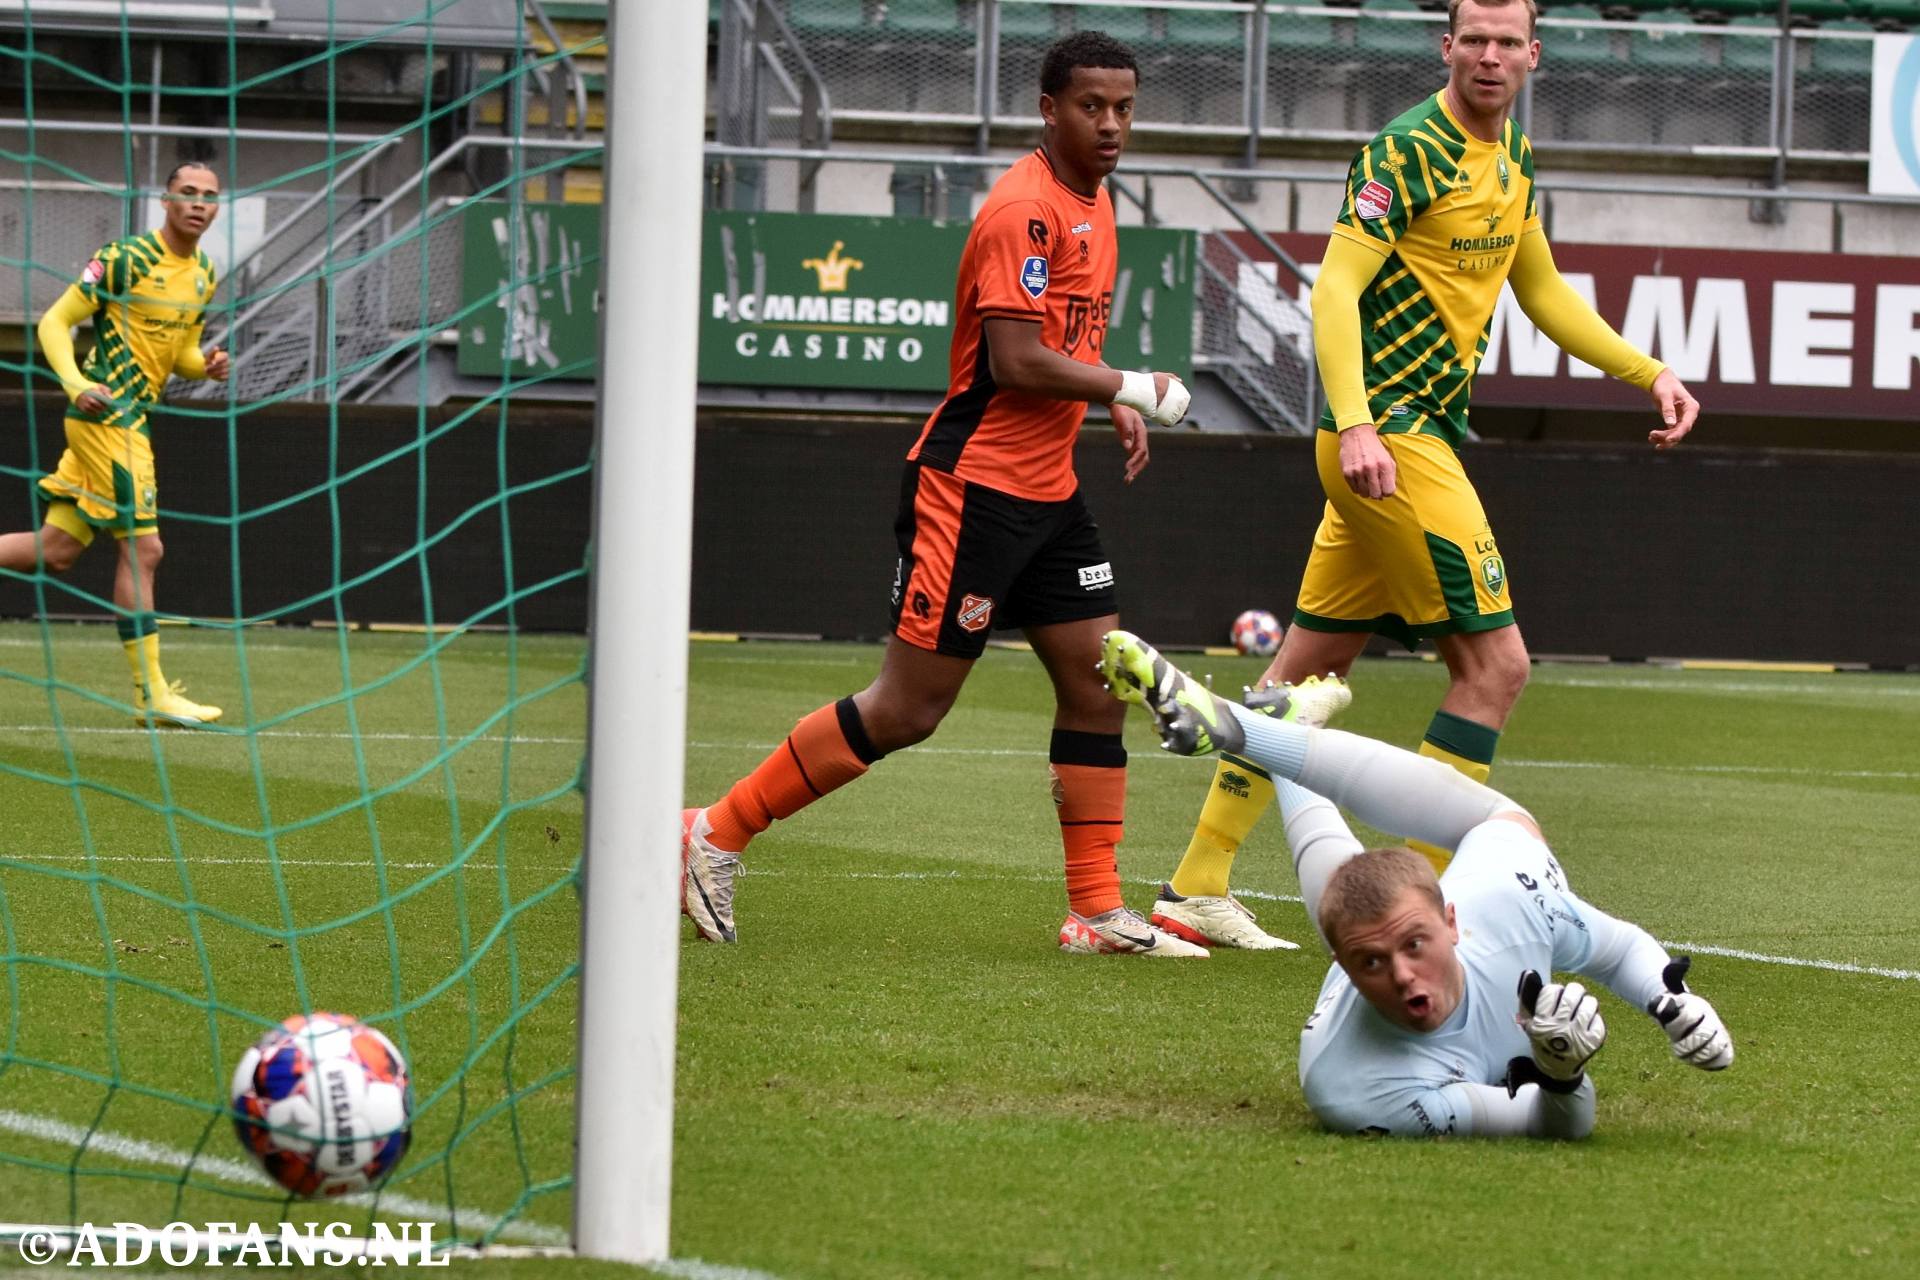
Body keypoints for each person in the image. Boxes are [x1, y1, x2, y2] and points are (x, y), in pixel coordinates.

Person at [1147, 0, 1704, 950]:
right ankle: (1411, 921)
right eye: (1472, 40)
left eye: (1506, 42)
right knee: (1496, 668)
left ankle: (1194, 887)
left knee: (1302, 672)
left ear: (1533, 54)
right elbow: (1334, 285)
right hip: (1390, 440)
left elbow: (1543, 292)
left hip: (1407, 437)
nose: (1489, 56)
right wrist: (1358, 422)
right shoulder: (1406, 151)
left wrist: (1646, 371)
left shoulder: (1514, 161)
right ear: (1447, 49)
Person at [681, 32, 1200, 954]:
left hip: (1050, 492)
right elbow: (1013, 358)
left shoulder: (1096, 197)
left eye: (1124, 106)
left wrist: (1104, 394)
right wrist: (1128, 387)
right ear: (1050, 109)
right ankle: (713, 831)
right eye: (1093, 106)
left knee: (1096, 686)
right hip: (973, 491)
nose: (1112, 124)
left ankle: (1094, 911)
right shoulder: (1022, 211)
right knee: (907, 710)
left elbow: (1060, 345)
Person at [1100, 628, 1734, 1137]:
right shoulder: (1354, 1090)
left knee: (1506, 825)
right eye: (1372, 962)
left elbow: (1620, 949)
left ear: (1451, 922)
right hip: (1375, 952)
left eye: (1415, 945)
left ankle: (1257, 731)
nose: (1402, 975)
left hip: (1495, 862)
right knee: (1343, 904)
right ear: (1347, 969)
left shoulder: (1511, 900)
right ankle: (1279, 733)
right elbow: (1555, 1124)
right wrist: (1558, 1076)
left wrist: (1675, 1004)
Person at [0, 161, 230, 726]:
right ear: (165, 200)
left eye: (209, 196)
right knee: (145, 550)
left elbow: (179, 355)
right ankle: (151, 695)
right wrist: (75, 384)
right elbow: (54, 322)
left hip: (131, 417)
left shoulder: (203, 271)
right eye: (188, 193)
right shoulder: (125, 258)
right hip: (110, 417)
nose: (199, 204)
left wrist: (206, 368)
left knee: (57, 549)